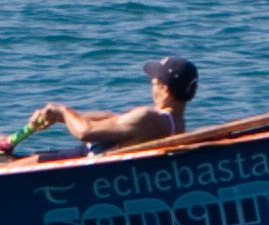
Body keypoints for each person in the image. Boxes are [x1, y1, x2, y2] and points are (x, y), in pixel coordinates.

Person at [21, 56, 197, 153]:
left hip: (84, 161)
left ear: (165, 90)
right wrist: (60, 118)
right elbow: (116, 119)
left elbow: (85, 131)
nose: (152, 88)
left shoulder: (149, 117)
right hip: (89, 154)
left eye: (153, 83)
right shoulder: (176, 124)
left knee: (11, 164)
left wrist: (63, 110)